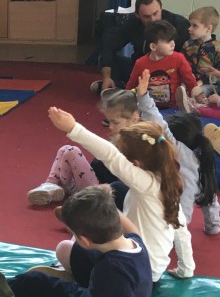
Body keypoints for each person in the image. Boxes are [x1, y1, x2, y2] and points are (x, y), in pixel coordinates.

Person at [9, 185, 152, 297]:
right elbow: (131, 227)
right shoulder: (135, 241)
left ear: (84, 241)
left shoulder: (111, 269)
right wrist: (102, 202)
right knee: (34, 280)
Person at [48, 106, 188, 284]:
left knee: (63, 249)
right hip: (151, 272)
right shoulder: (169, 189)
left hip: (128, 272)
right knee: (115, 192)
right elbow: (182, 233)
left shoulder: (146, 185)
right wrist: (186, 269)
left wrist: (73, 128)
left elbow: (111, 156)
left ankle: (73, 264)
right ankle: (79, 226)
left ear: (136, 163)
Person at [135, 74, 220, 248]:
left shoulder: (176, 149)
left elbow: (157, 122)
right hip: (188, 204)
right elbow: (210, 199)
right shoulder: (199, 159)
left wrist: (143, 96)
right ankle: (208, 226)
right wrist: (213, 226)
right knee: (206, 196)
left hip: (177, 207)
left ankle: (173, 235)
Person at [26, 89, 139, 207]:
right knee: (66, 149)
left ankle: (64, 190)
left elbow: (130, 178)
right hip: (97, 185)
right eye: (109, 121)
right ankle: (52, 184)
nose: (110, 127)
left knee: (71, 152)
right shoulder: (119, 137)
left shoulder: (137, 145)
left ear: (134, 118)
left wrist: (111, 187)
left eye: (115, 123)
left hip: (107, 193)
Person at [95, 0, 191, 92]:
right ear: (137, 15)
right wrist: (106, 77)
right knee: (108, 60)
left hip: (168, 73)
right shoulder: (132, 23)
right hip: (140, 68)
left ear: (161, 8)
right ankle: (112, 84)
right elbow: (108, 46)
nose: (153, 20)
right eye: (146, 16)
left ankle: (119, 87)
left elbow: (188, 56)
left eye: (155, 13)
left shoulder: (179, 24)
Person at [125, 20, 197, 109]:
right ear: (153, 46)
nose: (173, 44)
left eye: (173, 40)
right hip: (148, 108)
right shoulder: (140, 63)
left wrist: (196, 97)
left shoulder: (179, 58)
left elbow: (190, 80)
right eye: (168, 41)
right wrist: (125, 104)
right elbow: (131, 85)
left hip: (174, 108)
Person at [180, 5, 220, 85]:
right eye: (190, 25)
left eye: (194, 26)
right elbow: (181, 64)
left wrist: (202, 82)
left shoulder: (217, 47)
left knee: (204, 89)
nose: (189, 28)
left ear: (208, 28)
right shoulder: (188, 44)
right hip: (189, 80)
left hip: (207, 84)